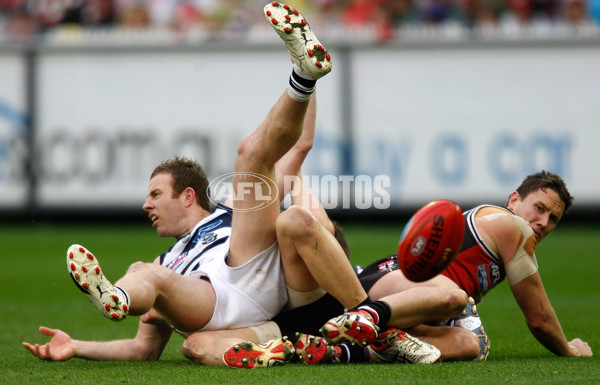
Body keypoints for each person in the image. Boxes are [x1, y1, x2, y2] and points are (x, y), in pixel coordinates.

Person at [22, 2, 401, 365]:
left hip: (251, 276)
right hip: (212, 302)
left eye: (155, 194)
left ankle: (304, 73)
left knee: (251, 156)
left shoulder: (229, 212)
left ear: (188, 196)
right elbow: (143, 350)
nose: (146, 206)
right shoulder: (167, 262)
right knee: (146, 271)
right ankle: (116, 296)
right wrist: (76, 346)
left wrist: (308, 73)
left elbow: (300, 145)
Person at [318, 170, 593, 361]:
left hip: (397, 288)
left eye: (554, 218)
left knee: (470, 345)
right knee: (457, 300)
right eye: (539, 208)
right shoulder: (513, 226)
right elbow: (539, 319)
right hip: (392, 283)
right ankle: (365, 317)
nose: (544, 222)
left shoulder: (497, 227)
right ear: (514, 200)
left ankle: (344, 352)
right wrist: (569, 350)